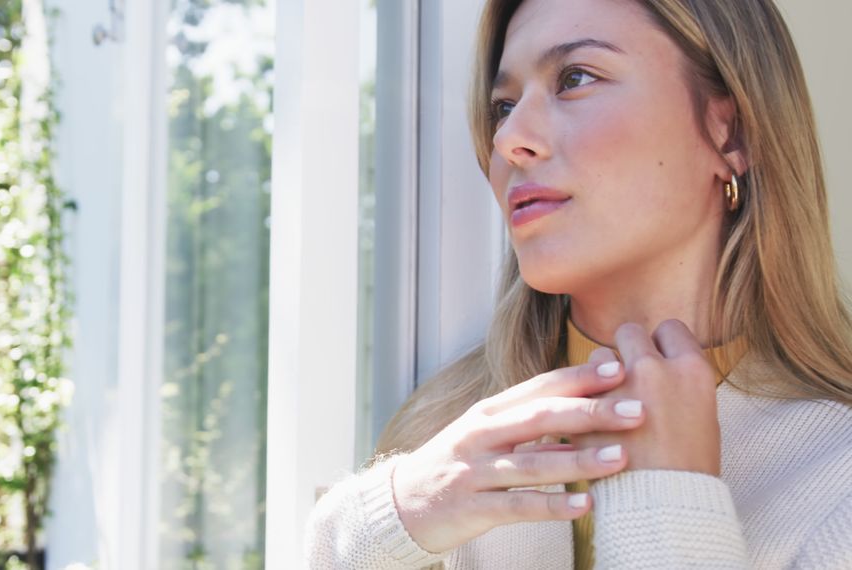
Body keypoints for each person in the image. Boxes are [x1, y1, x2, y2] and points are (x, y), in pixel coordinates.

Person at [305, 0, 852, 567]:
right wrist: (384, 519)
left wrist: (669, 502)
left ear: (730, 133)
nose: (509, 138)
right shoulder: (442, 442)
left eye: (575, 79)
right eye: (503, 106)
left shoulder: (836, 485)